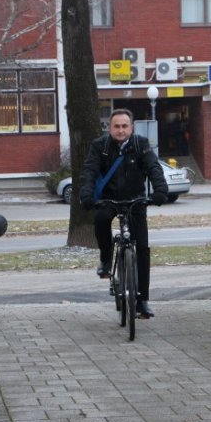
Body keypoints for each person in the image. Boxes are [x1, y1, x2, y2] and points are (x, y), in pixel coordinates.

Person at [79, 108, 169, 318]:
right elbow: (89, 171)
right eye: (116, 126)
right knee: (101, 219)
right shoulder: (99, 146)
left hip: (135, 200)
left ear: (131, 127)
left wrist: (160, 191)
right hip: (109, 199)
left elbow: (154, 168)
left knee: (143, 248)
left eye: (124, 126)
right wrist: (86, 195)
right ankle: (106, 258)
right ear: (109, 128)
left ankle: (142, 301)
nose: (120, 130)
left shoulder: (140, 144)